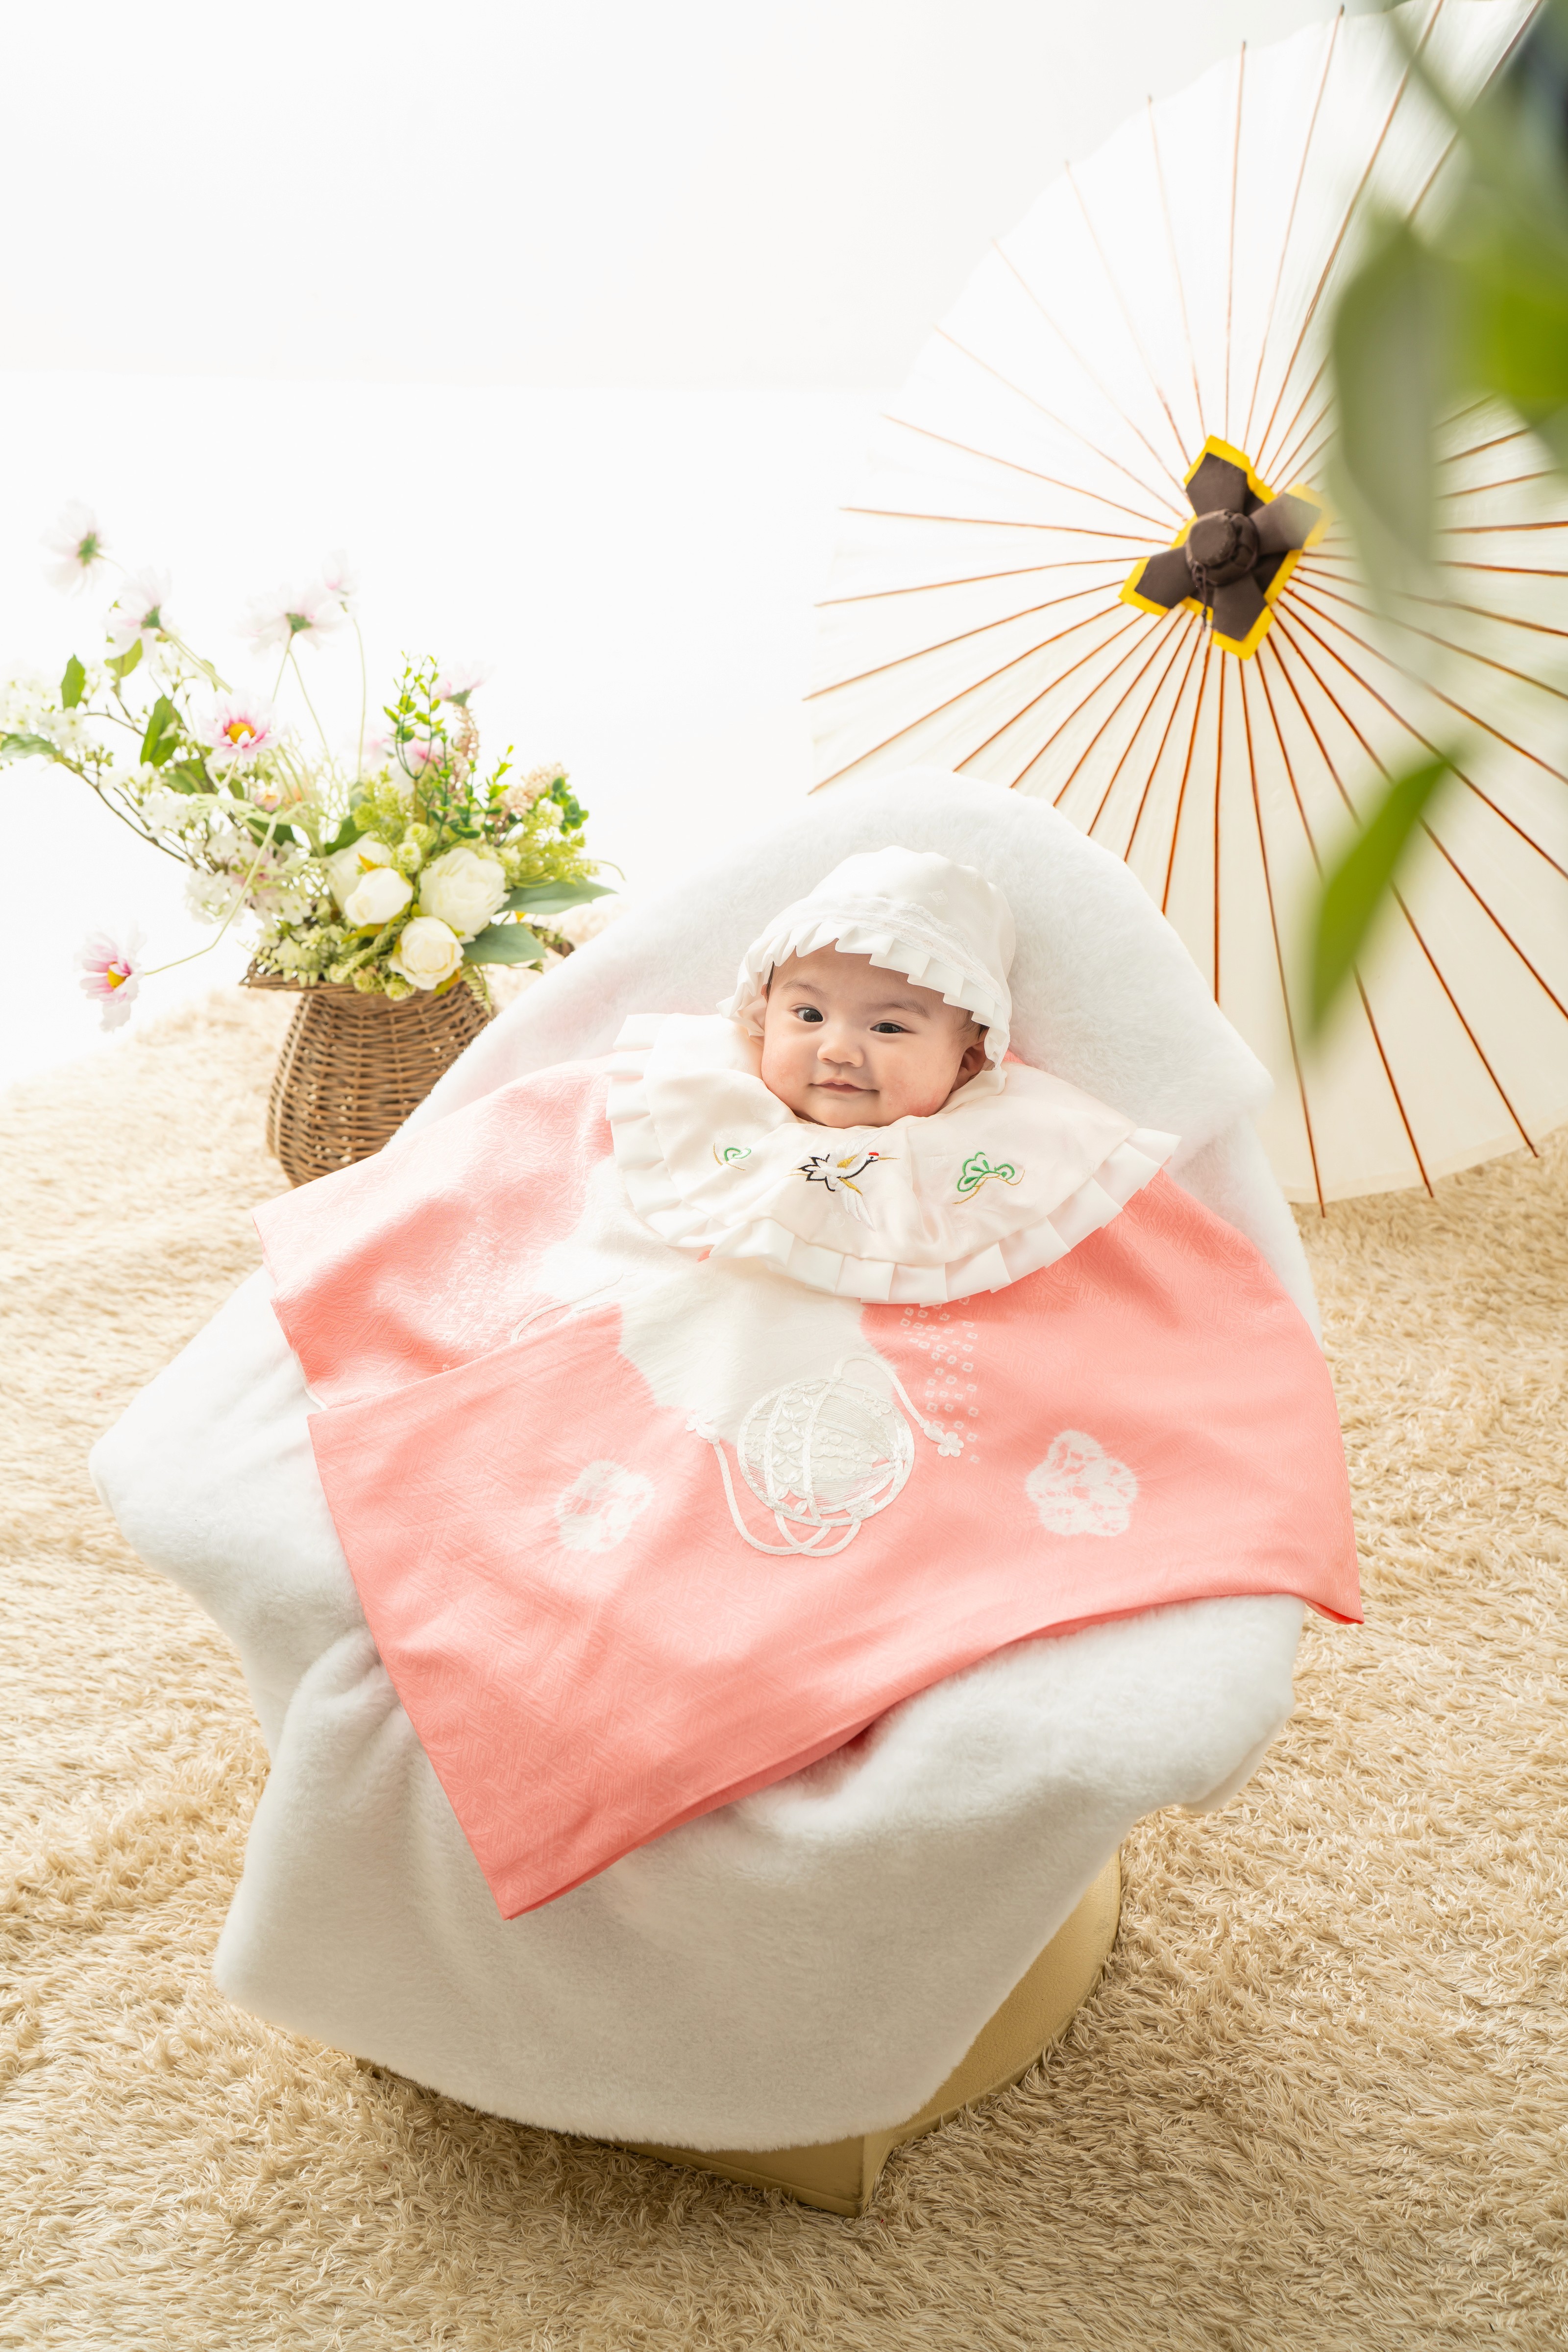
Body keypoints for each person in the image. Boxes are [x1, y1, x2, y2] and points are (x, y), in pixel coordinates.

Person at [246, 845, 1359, 1919]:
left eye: (891, 1026)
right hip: (667, 1368)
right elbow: (521, 1169)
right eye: (809, 1013)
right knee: (580, 1435)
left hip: (854, 1407)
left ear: (971, 1055)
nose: (840, 1049)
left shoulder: (1019, 1157)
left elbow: (1144, 1286)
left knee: (885, 1498)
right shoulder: (696, 1101)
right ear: (759, 1014)